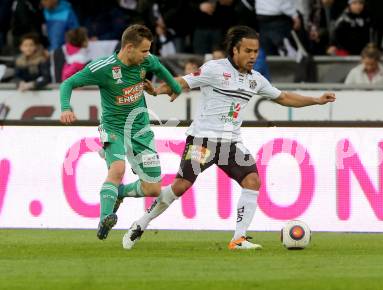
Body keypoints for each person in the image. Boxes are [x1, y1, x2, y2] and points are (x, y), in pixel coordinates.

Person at [122, 25, 336, 250]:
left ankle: (238, 239)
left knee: (252, 181)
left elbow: (283, 97)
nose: (253, 56)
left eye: (256, 51)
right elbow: (183, 82)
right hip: (202, 140)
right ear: (235, 50)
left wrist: (316, 100)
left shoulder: (256, 80)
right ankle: (141, 223)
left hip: (230, 143)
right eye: (248, 51)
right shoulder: (215, 69)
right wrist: (158, 90)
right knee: (181, 186)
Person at [59, 24, 182, 240]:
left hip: (140, 129)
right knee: (117, 169)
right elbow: (68, 83)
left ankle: (120, 193)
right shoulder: (103, 67)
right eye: (144, 50)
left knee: (153, 189)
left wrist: (175, 87)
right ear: (129, 48)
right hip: (113, 127)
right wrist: (66, 108)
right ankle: (105, 218)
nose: (148, 55)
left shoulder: (146, 61)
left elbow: (161, 69)